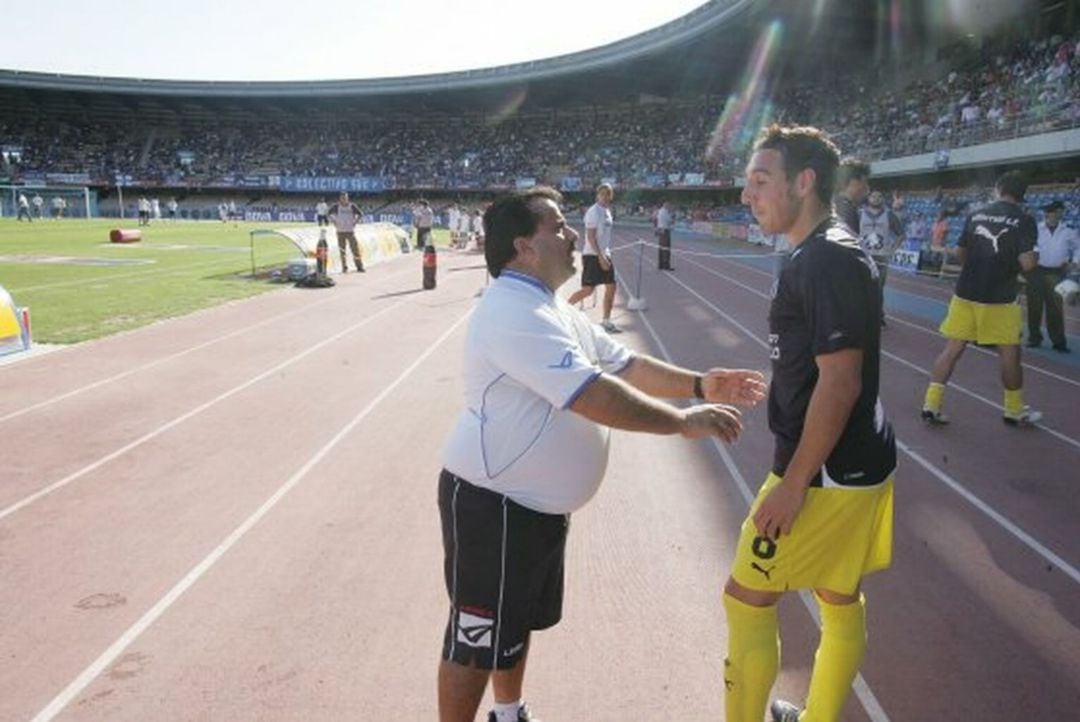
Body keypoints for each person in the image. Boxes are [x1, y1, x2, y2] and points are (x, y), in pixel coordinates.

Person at [438, 186, 767, 722]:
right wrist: (682, 423)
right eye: (558, 227)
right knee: (475, 639)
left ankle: (507, 711)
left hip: (531, 507)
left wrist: (702, 385)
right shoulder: (511, 312)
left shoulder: (548, 307)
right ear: (524, 246)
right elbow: (591, 393)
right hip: (491, 504)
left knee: (512, 622)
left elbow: (625, 366)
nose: (572, 236)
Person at [726, 125, 896, 722]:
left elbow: (841, 381)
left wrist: (795, 483)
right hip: (854, 462)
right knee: (838, 594)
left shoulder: (825, 256)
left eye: (760, 181)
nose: (748, 195)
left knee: (747, 597)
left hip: (824, 473)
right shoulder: (821, 249)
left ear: (804, 181)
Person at [921, 171, 1040, 427]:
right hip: (1001, 297)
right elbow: (1027, 262)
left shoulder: (976, 215)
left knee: (952, 349)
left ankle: (931, 403)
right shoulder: (1025, 219)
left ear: (999, 189)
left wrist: (974, 269)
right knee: (1009, 352)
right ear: (1022, 195)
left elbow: (960, 251)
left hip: (966, 291)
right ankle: (1014, 409)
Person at [1025, 200, 1077, 352]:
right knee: (1034, 306)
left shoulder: (1068, 231)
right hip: (1036, 271)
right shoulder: (1036, 229)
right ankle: (1034, 338)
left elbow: (1078, 247)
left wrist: (1074, 261)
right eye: (1052, 212)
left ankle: (1059, 342)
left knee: (1055, 308)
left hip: (1057, 272)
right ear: (1047, 214)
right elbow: (1028, 245)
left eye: (1058, 212)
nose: (1055, 215)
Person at [567, 183, 620, 332]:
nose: (606, 196)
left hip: (605, 253)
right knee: (588, 290)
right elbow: (590, 237)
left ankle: (606, 321)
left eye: (608, 193)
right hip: (592, 255)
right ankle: (563, 311)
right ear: (597, 195)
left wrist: (605, 255)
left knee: (612, 286)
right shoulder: (593, 212)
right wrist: (600, 257)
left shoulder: (607, 211)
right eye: (603, 193)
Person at [858, 190, 905, 326]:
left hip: (881, 257)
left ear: (883, 199)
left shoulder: (889, 215)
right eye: (873, 196)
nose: (876, 199)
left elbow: (901, 234)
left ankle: (878, 315)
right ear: (869, 198)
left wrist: (892, 249)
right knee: (860, 287)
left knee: (878, 289)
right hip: (863, 256)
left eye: (880, 196)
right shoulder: (859, 214)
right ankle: (860, 314)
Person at [328, 192, 365, 273]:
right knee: (342, 250)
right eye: (342, 198)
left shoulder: (352, 206)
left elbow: (360, 214)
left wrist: (355, 222)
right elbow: (329, 213)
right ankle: (344, 267)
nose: (344, 199)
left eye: (345, 197)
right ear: (340, 198)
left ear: (348, 198)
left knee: (355, 249)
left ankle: (359, 266)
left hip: (350, 231)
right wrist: (334, 221)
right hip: (340, 231)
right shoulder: (336, 206)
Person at [833, 157, 870, 235]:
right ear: (854, 181)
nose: (867, 188)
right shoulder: (846, 211)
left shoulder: (831, 204)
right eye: (865, 182)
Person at [656, 201, 675, 270]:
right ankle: (666, 265)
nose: (670, 208)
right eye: (669, 206)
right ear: (667, 206)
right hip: (665, 230)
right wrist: (672, 215)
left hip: (661, 230)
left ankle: (660, 264)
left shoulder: (660, 211)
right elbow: (670, 221)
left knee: (661, 247)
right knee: (666, 248)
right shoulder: (665, 212)